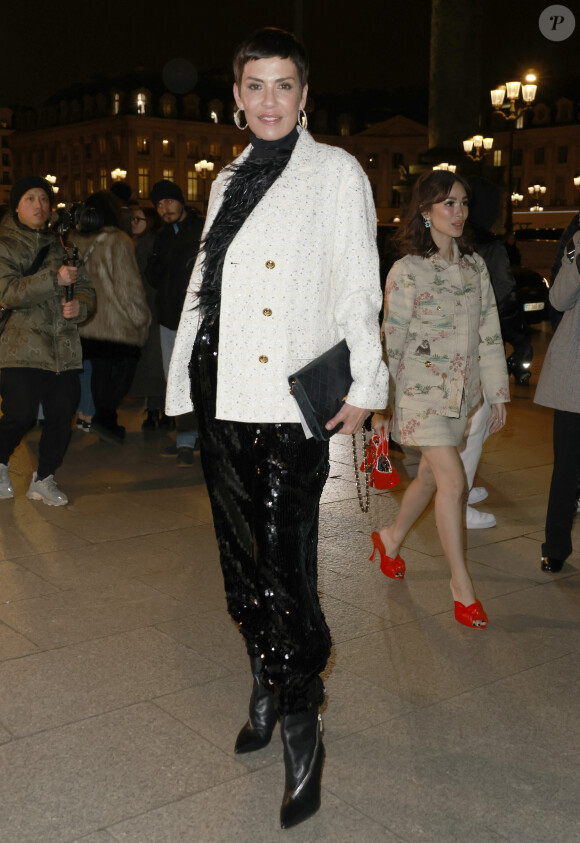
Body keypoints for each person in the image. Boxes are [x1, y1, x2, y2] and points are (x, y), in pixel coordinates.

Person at [165, 28, 388, 829]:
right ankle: (265, 678)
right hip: (222, 390)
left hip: (286, 402)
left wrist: (367, 381)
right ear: (236, 96)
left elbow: (359, 283)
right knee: (238, 560)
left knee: (284, 565)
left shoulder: (334, 171)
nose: (268, 100)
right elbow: (205, 281)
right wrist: (185, 374)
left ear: (305, 96)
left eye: (283, 85)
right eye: (254, 86)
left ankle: (302, 720)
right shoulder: (226, 176)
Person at [372, 170, 509, 629]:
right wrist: (380, 403)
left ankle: (390, 538)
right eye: (448, 203)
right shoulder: (407, 271)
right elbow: (390, 341)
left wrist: (496, 393)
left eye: (463, 203)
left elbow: (489, 332)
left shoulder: (474, 267)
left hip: (462, 398)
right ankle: (461, 587)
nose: (459, 212)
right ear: (425, 211)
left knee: (431, 478)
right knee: (453, 482)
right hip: (419, 396)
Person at [0, 176, 95, 505]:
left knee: (61, 413)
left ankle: (44, 477)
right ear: (17, 206)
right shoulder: (5, 244)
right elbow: (8, 292)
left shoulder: (64, 245)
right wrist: (52, 280)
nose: (39, 205)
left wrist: (81, 305)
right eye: (30, 199)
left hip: (62, 346)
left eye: (43, 199)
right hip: (19, 346)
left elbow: (87, 288)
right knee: (20, 415)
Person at [459, 176, 530, 529]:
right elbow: (504, 296)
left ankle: (457, 486)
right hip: (478, 350)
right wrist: (518, 334)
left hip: (460, 351)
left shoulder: (461, 242)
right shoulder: (489, 248)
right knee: (477, 425)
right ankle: (457, 495)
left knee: (473, 427)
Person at [70, 191, 150, 445]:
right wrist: (141, 319)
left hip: (86, 322)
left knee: (100, 372)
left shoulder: (73, 240)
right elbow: (128, 287)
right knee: (125, 370)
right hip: (117, 323)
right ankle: (106, 418)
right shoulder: (119, 241)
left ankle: (106, 420)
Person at [145, 180, 203, 465]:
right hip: (169, 321)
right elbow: (153, 275)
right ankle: (185, 440)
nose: (164, 208)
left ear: (180, 200)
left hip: (196, 319)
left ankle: (199, 439)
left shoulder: (201, 229)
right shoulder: (163, 236)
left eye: (168, 201)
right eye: (158, 205)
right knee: (176, 381)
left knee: (199, 379)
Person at [534, 230, 580, 573]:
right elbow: (559, 299)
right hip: (575, 374)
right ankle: (556, 546)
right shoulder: (578, 242)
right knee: (567, 465)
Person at [127, 202, 167, 430]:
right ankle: (156, 410)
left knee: (153, 363)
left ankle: (156, 411)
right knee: (152, 363)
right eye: (133, 219)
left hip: (151, 308)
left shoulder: (148, 244)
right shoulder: (137, 243)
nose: (133, 223)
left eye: (138, 219)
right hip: (144, 309)